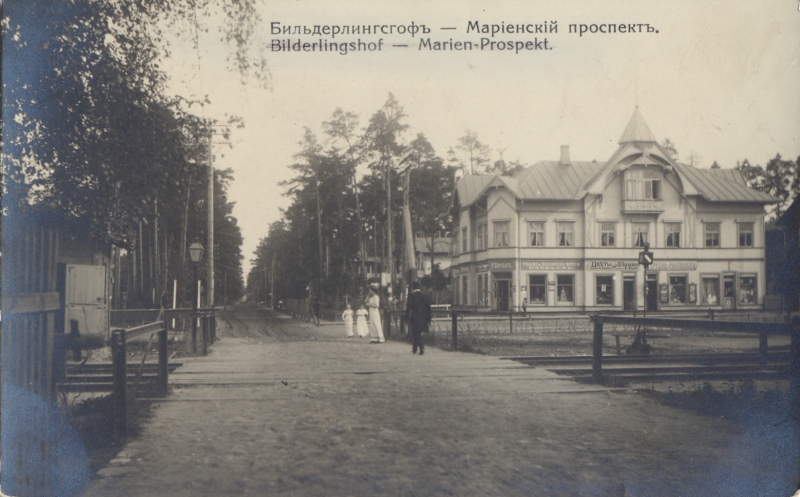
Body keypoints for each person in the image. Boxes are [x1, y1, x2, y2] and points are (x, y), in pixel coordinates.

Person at [405, 280, 432, 355]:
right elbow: (428, 309)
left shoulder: (411, 296)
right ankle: (414, 349)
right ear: (420, 287)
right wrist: (429, 319)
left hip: (415, 317)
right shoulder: (425, 296)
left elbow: (408, 308)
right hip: (423, 318)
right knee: (418, 333)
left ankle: (421, 347)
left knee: (415, 333)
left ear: (413, 288)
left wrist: (406, 318)